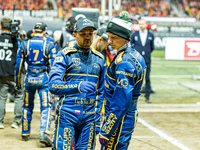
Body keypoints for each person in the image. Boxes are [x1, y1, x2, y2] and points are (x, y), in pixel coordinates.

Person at [48, 18, 107, 150]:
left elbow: (101, 92)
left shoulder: (100, 59)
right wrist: (77, 86)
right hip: (67, 114)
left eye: (90, 33)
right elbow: (53, 85)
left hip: (89, 118)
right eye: (83, 34)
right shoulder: (65, 55)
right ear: (74, 35)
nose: (87, 37)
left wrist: (97, 120)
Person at [98, 11, 146, 150]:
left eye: (114, 38)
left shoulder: (124, 62)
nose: (110, 41)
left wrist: (107, 129)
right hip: (126, 116)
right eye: (109, 37)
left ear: (125, 38)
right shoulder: (134, 55)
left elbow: (121, 99)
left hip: (120, 119)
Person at [15, 22, 57, 146]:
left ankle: (25, 132)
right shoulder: (49, 45)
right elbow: (53, 67)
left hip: (29, 79)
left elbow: (18, 66)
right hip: (43, 79)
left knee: (27, 106)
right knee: (46, 106)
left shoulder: (24, 44)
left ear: (33, 31)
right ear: (44, 32)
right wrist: (54, 84)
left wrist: (18, 82)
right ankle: (44, 131)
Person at [0, 16, 23, 129]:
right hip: (15, 74)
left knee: (2, 97)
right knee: (18, 96)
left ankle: (0, 122)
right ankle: (16, 121)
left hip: (2, 73)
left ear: (0, 27)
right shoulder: (16, 40)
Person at [131, 18, 154, 103]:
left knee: (147, 78)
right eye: (140, 24)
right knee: (135, 77)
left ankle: (147, 96)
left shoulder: (151, 35)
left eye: (142, 24)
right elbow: (132, 46)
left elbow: (152, 47)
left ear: (146, 24)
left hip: (147, 59)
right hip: (136, 60)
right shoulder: (135, 35)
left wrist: (146, 53)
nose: (141, 25)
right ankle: (133, 96)